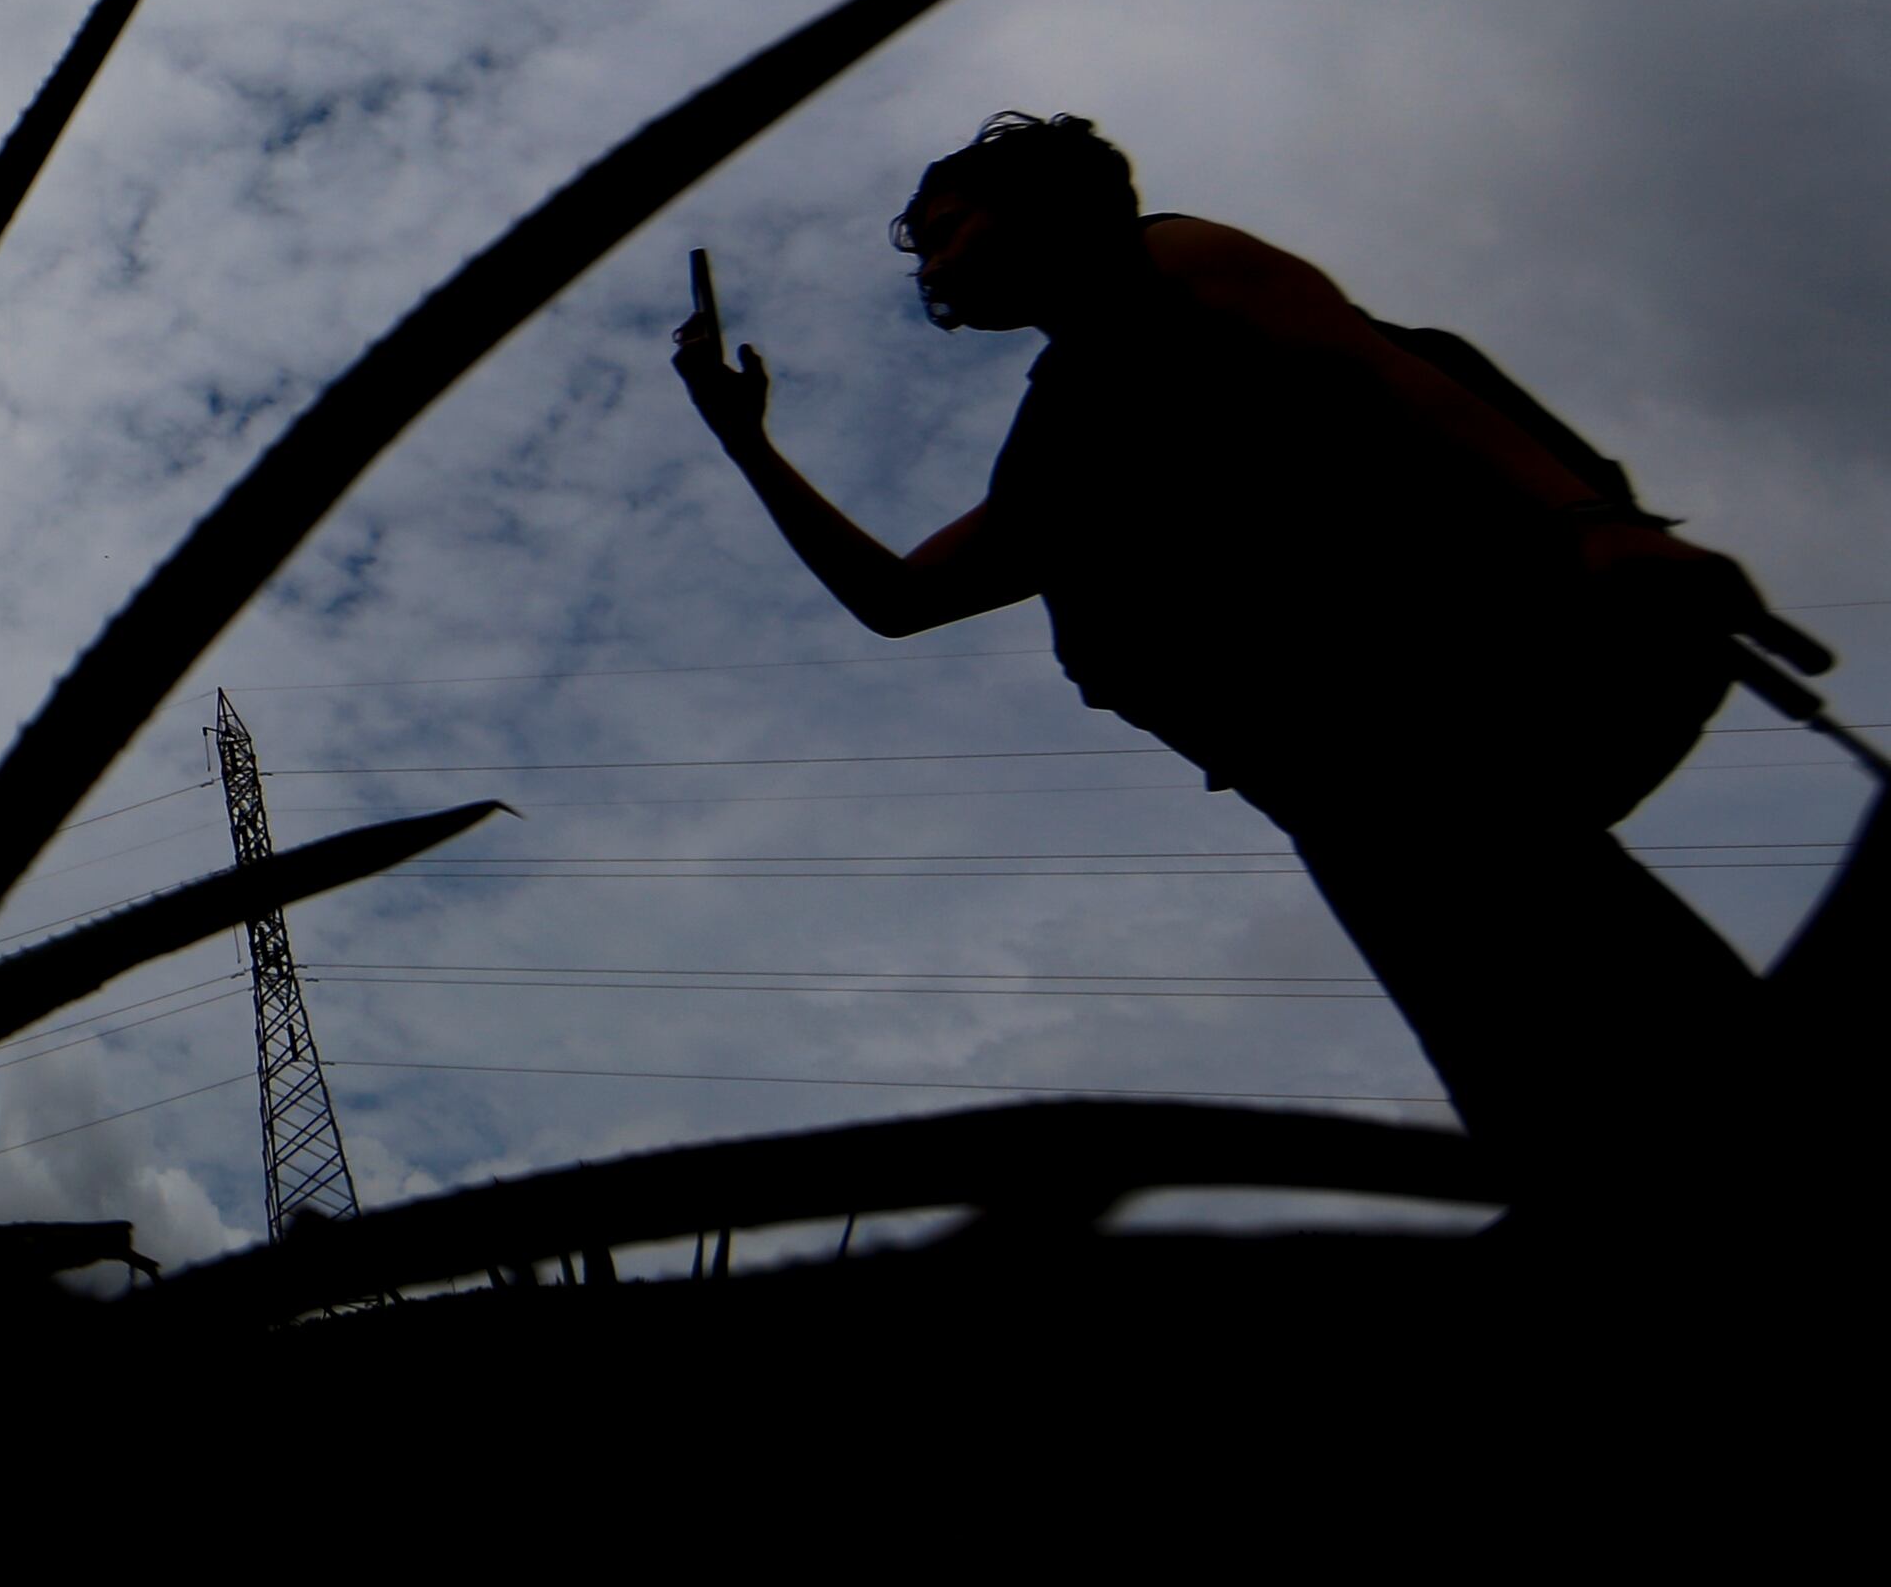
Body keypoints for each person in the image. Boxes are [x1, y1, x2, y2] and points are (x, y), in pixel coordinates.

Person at [673, 109, 1826, 1205]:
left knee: (1616, 1013)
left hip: (1428, 706)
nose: (926, 261)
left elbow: (1380, 369)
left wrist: (1591, 523)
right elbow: (896, 598)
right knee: (1530, 1053)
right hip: (1330, 780)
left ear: (1041, 209)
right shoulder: (1061, 437)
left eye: (946, 228)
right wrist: (743, 442)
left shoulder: (1165, 260)